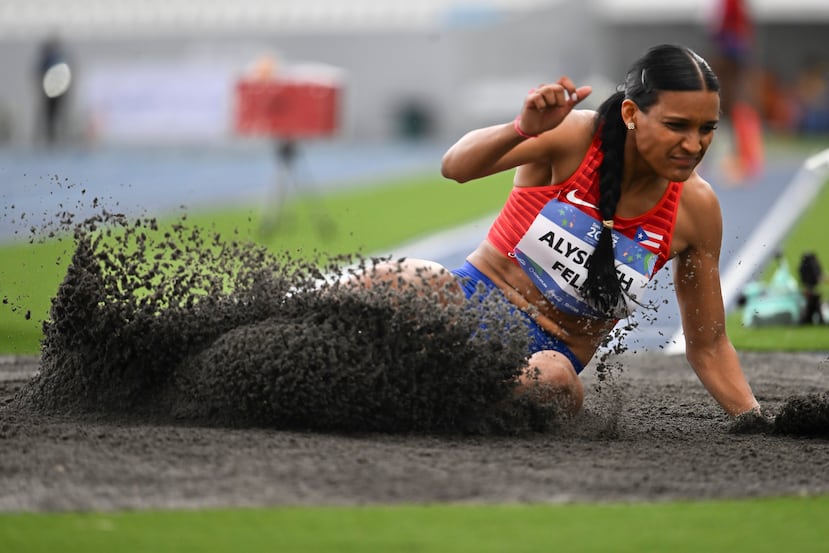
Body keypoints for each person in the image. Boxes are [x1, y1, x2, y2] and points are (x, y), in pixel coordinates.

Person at [354, 44, 762, 420]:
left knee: (554, 381)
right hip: (468, 303)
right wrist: (523, 128)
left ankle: (416, 399)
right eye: (677, 126)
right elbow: (455, 167)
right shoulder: (576, 136)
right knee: (395, 277)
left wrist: (753, 420)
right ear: (631, 114)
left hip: (545, 356)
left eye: (707, 128)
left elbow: (708, 345)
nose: (694, 145)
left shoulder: (696, 210)